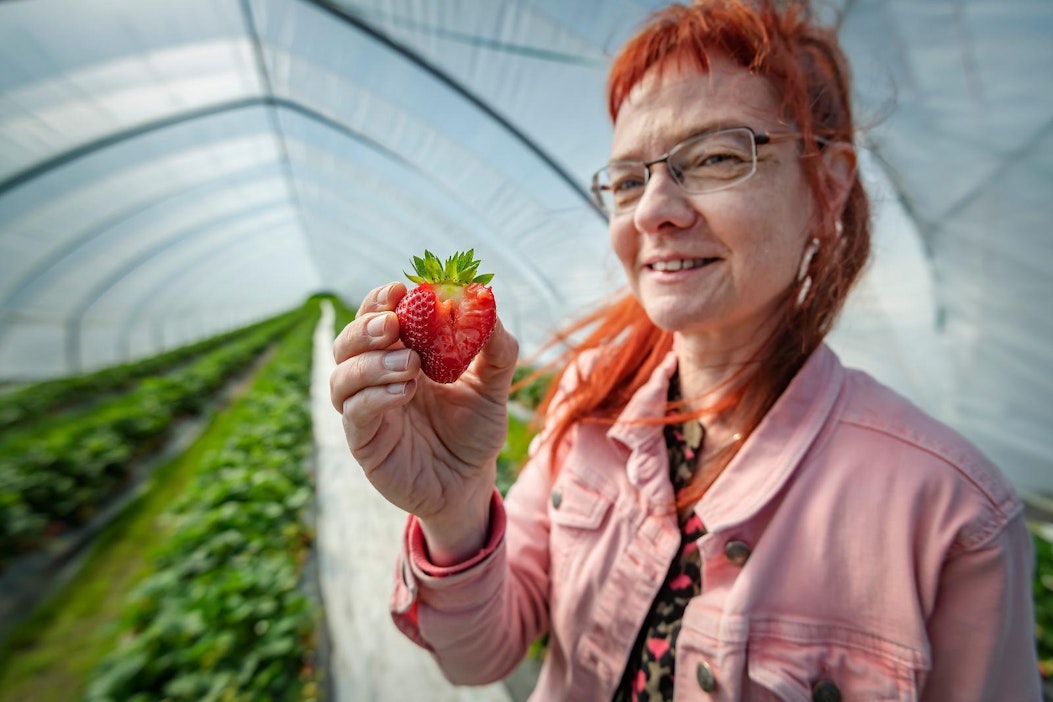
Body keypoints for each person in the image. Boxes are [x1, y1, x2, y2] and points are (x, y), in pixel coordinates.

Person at [330, 0, 1042, 699]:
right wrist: (454, 509)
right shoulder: (591, 400)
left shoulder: (951, 517)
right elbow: (481, 657)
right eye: (629, 179)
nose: (652, 210)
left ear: (827, 186)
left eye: (715, 157)